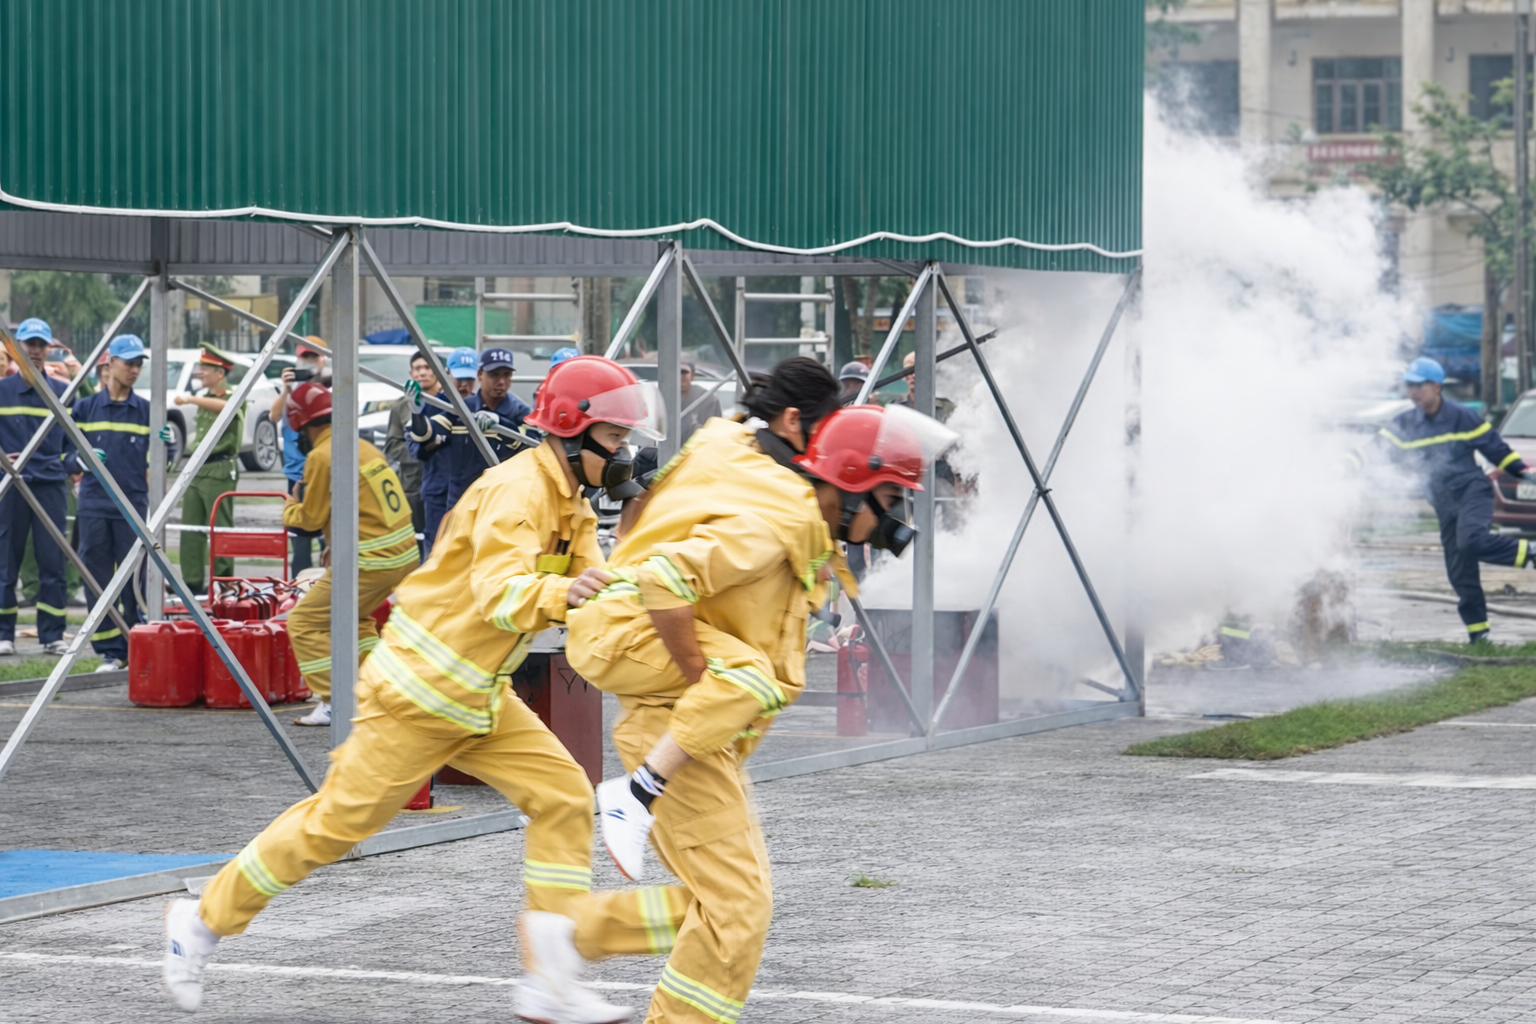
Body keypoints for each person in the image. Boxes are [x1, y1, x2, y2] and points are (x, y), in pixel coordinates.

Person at [163, 357, 662, 1024]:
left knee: (563, 799)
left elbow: (596, 591)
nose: (626, 453)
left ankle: (550, 976)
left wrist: (647, 586)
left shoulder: (567, 503)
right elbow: (500, 591)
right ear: (574, 433)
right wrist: (561, 592)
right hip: (419, 695)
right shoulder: (518, 493)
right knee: (334, 825)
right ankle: (199, 920)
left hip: (477, 697)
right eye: (616, 438)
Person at [563, 357, 955, 1024]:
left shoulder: (739, 455)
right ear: (853, 487)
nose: (893, 524)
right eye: (890, 502)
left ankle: (573, 935)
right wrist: (705, 681)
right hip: (674, 726)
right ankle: (619, 845)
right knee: (738, 910)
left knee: (721, 901)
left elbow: (664, 498)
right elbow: (666, 575)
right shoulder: (773, 515)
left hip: (694, 733)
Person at [1357, 356, 1536, 644]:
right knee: (1458, 569)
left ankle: (1531, 551)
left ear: (1437, 387)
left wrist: (1523, 472)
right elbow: (1374, 450)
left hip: (1471, 491)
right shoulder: (1404, 425)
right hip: (1442, 502)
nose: (1414, 391)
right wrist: (1347, 465)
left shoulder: (1461, 417)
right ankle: (1479, 635)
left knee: (1472, 541)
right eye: (1409, 385)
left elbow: (1495, 448)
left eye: (1420, 385)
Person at [279, 383, 420, 729]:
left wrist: (289, 511)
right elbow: (363, 506)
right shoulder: (362, 447)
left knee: (303, 623)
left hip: (371, 561)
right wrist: (338, 543)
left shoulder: (321, 456)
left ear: (301, 427)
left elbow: (310, 518)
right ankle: (384, 690)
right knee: (355, 622)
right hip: (401, 555)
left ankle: (336, 701)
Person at [67, 335, 173, 671]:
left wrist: (166, 448)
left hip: (131, 506)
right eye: (129, 363)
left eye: (139, 364)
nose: (135, 369)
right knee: (97, 580)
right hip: (94, 505)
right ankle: (110, 652)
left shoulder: (147, 411)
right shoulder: (84, 409)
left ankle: (135, 644)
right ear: (109, 363)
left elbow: (162, 463)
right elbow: (63, 456)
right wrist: (81, 461)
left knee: (134, 581)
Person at [0, 318, 73, 656]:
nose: (35, 350)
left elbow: (76, 442)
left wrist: (70, 466)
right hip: (11, 487)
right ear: (17, 348)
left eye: (41, 344)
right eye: (29, 343)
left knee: (52, 562)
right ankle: (4, 635)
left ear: (49, 348)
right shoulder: (1, 391)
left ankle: (52, 634)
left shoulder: (62, 393)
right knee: (5, 562)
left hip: (49, 487)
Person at [176, 344, 245, 598]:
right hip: (198, 467)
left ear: (220, 373)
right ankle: (192, 581)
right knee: (191, 527)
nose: (200, 372)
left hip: (219, 468)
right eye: (200, 367)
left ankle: (225, 582)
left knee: (220, 526)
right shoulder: (206, 397)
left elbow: (227, 409)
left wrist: (191, 398)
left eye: (205, 368)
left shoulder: (233, 396)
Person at [407, 347, 478, 553]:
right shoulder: (434, 406)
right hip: (438, 493)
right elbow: (418, 446)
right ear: (447, 375)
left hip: (473, 495)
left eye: (469, 379)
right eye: (459, 378)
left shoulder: (482, 408)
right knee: (436, 552)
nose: (464, 385)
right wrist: (417, 416)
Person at [445, 347, 532, 511]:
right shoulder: (462, 409)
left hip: (503, 502)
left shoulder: (521, 413)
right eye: (494, 375)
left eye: (507, 375)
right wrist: (417, 414)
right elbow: (426, 439)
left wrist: (502, 424)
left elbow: (534, 447)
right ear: (480, 375)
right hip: (461, 502)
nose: (501, 382)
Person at [270, 339, 328, 574]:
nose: (309, 363)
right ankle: (298, 591)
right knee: (300, 542)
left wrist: (323, 380)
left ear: (322, 360)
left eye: (313, 358)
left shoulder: (330, 388)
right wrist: (286, 389)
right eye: (305, 358)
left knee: (329, 539)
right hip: (297, 476)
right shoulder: (290, 392)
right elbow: (273, 416)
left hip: (325, 473)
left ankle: (332, 591)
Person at [386, 351, 437, 555]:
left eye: (427, 368)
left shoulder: (450, 403)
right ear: (411, 373)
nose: (422, 373)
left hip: (443, 483)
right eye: (418, 368)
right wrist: (420, 452)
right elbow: (392, 446)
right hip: (412, 485)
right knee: (414, 542)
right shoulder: (400, 406)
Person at [678, 360, 721, 442]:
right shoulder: (665, 396)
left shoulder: (707, 398)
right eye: (677, 372)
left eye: (684, 372)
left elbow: (714, 430)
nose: (680, 376)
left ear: (693, 375)